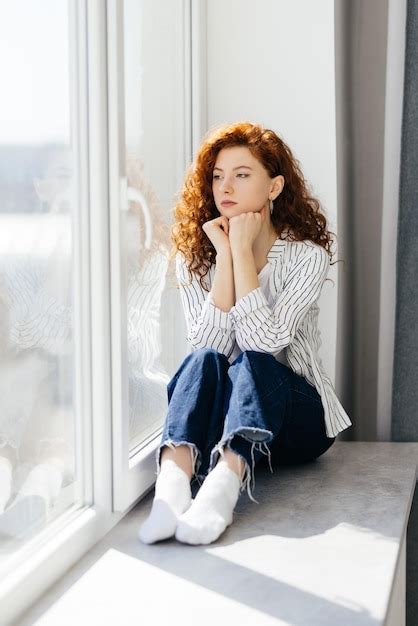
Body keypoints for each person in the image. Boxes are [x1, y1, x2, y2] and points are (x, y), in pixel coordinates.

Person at [138, 121, 352, 546]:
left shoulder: (306, 257)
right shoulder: (197, 259)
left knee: (254, 362)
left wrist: (240, 252)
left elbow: (264, 346)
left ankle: (222, 489)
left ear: (273, 187)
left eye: (241, 174)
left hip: (300, 421)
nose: (225, 186)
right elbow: (207, 352)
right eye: (217, 176)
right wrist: (222, 258)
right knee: (200, 360)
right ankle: (172, 487)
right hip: (231, 418)